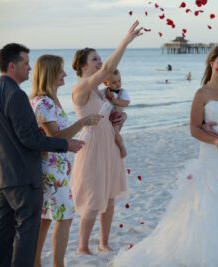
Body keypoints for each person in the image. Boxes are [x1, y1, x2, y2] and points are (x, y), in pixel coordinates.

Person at [113, 46, 218, 266]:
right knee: (212, 199)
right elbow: (194, 128)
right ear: (211, 63)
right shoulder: (201, 94)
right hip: (213, 153)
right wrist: (215, 141)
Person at [0, 43, 84, 267]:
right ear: (12, 65)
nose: (30, 67)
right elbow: (30, 139)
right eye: (26, 63)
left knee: (5, 237)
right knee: (27, 234)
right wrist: (65, 144)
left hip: (4, 176)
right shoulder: (17, 95)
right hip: (23, 176)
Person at [70, 20, 142, 255]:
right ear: (82, 66)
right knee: (93, 198)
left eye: (100, 59)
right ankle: (83, 247)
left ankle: (103, 242)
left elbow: (112, 115)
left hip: (109, 146)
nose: (100, 63)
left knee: (109, 197)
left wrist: (123, 118)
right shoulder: (81, 89)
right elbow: (110, 68)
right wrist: (125, 41)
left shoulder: (101, 93)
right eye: (95, 60)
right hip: (92, 148)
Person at [30, 55, 103, 267]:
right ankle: (57, 264)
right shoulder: (43, 102)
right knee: (64, 216)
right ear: (50, 74)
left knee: (45, 219)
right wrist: (83, 122)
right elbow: (55, 137)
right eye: (61, 70)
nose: (65, 74)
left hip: (55, 165)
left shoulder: (49, 101)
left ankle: (37, 263)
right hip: (50, 169)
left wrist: (63, 159)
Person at [103, 69, 130, 158]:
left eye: (119, 81)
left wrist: (116, 101)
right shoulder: (103, 92)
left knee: (115, 134)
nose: (118, 84)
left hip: (116, 116)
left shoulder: (123, 92)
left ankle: (122, 147)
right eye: (114, 82)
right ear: (105, 83)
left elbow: (126, 103)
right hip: (107, 116)